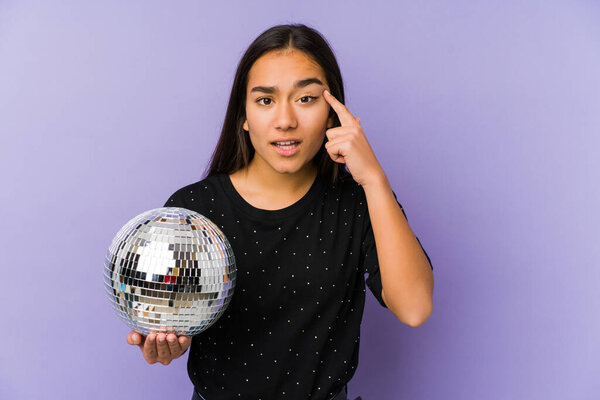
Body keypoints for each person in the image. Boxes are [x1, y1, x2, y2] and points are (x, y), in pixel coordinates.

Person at [126, 23, 434, 400]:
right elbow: (162, 314)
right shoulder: (195, 210)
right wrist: (163, 340)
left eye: (305, 99)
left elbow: (415, 308)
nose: (286, 120)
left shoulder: (358, 203)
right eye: (265, 100)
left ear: (333, 111)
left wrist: (374, 179)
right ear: (244, 115)